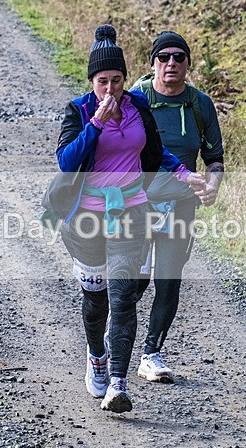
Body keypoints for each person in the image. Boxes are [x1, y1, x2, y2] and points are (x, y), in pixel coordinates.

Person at [52, 24, 203, 412]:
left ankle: (117, 384)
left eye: (117, 80)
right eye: (103, 81)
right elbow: (67, 161)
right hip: (85, 217)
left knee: (122, 296)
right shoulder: (79, 110)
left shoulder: (138, 107)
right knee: (96, 300)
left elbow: (156, 153)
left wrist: (185, 174)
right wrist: (97, 123)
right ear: (92, 82)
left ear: (125, 79)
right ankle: (97, 356)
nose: (111, 89)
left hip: (130, 211)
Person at [132, 31, 225, 383]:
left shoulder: (200, 105)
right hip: (138, 204)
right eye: (164, 57)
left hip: (181, 205)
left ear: (188, 64)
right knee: (133, 282)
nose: (171, 63)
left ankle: (151, 355)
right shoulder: (136, 99)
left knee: (169, 281)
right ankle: (111, 341)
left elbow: (214, 158)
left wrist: (213, 184)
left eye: (179, 57)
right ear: (153, 62)